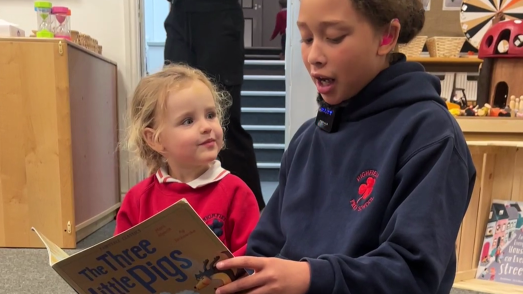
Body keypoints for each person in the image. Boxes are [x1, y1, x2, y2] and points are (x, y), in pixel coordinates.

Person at [214, 0, 476, 293]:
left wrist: (310, 278)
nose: (313, 56)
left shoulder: (430, 135)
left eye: (334, 37)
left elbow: (413, 273)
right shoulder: (306, 140)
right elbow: (265, 245)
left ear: (387, 36)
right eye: (306, 38)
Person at [114, 64, 260, 257]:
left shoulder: (237, 193)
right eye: (188, 121)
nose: (206, 127)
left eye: (210, 115)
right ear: (156, 140)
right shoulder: (137, 200)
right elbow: (120, 261)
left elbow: (251, 260)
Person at [163, 0, 266, 211]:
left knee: (224, 125)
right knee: (173, 114)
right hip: (179, 13)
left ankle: (256, 216)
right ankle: (179, 206)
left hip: (220, 14)